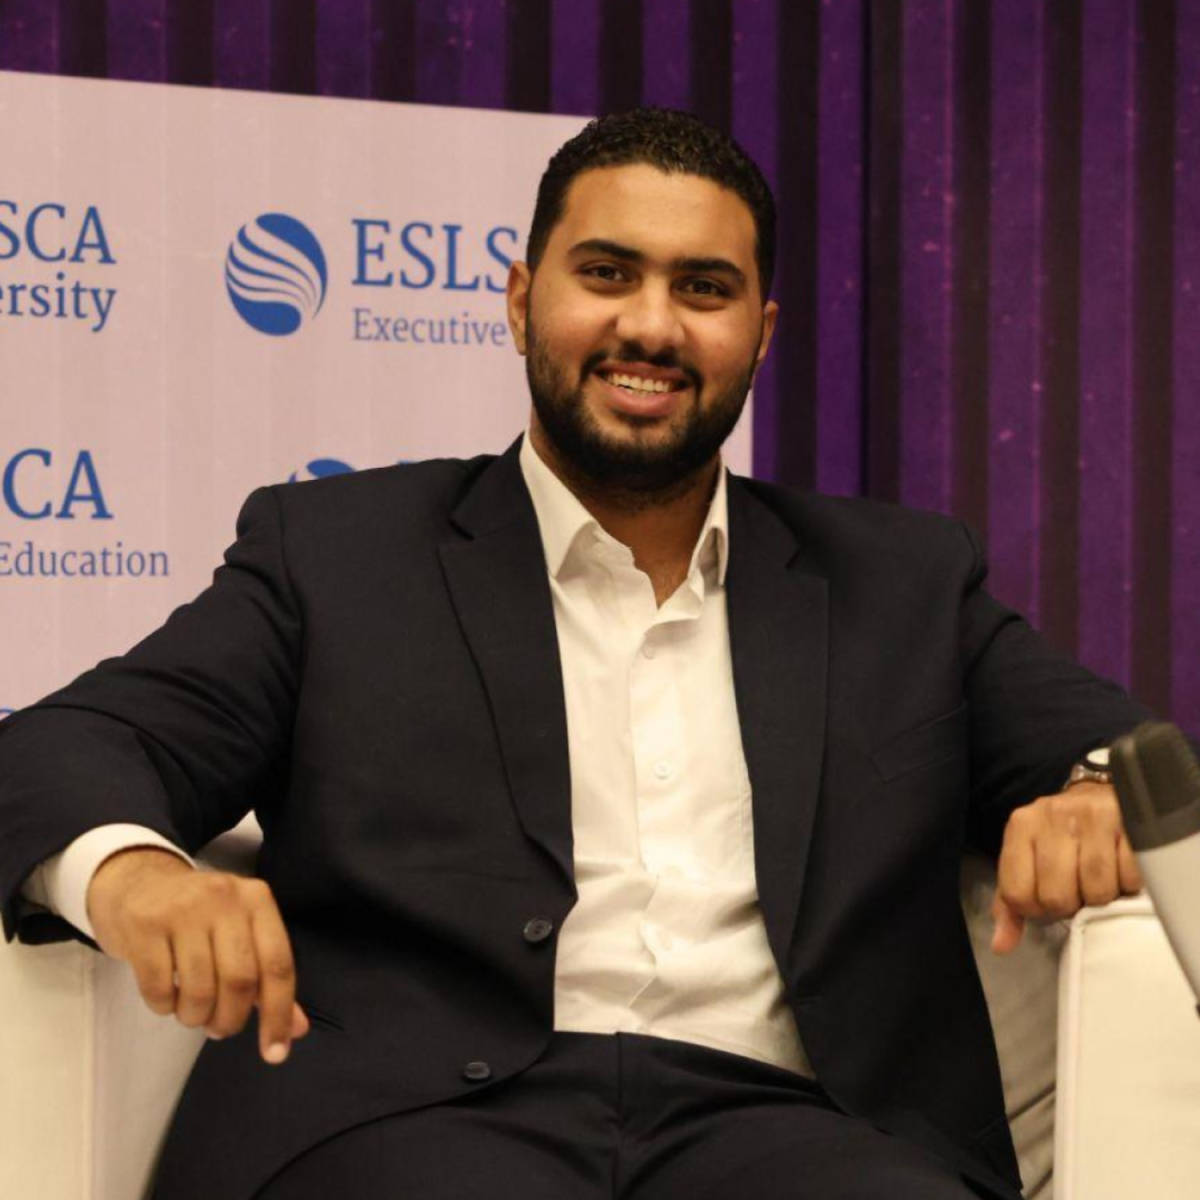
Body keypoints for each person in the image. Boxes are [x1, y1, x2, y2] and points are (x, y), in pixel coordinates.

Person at [0, 109, 1151, 1200]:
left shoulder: (903, 582)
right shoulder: (338, 556)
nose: (651, 326)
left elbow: (1142, 760)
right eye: (607, 273)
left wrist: (1099, 794)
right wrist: (134, 875)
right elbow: (70, 743)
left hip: (794, 1132)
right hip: (408, 1126)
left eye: (703, 288)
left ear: (762, 333)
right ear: (520, 299)